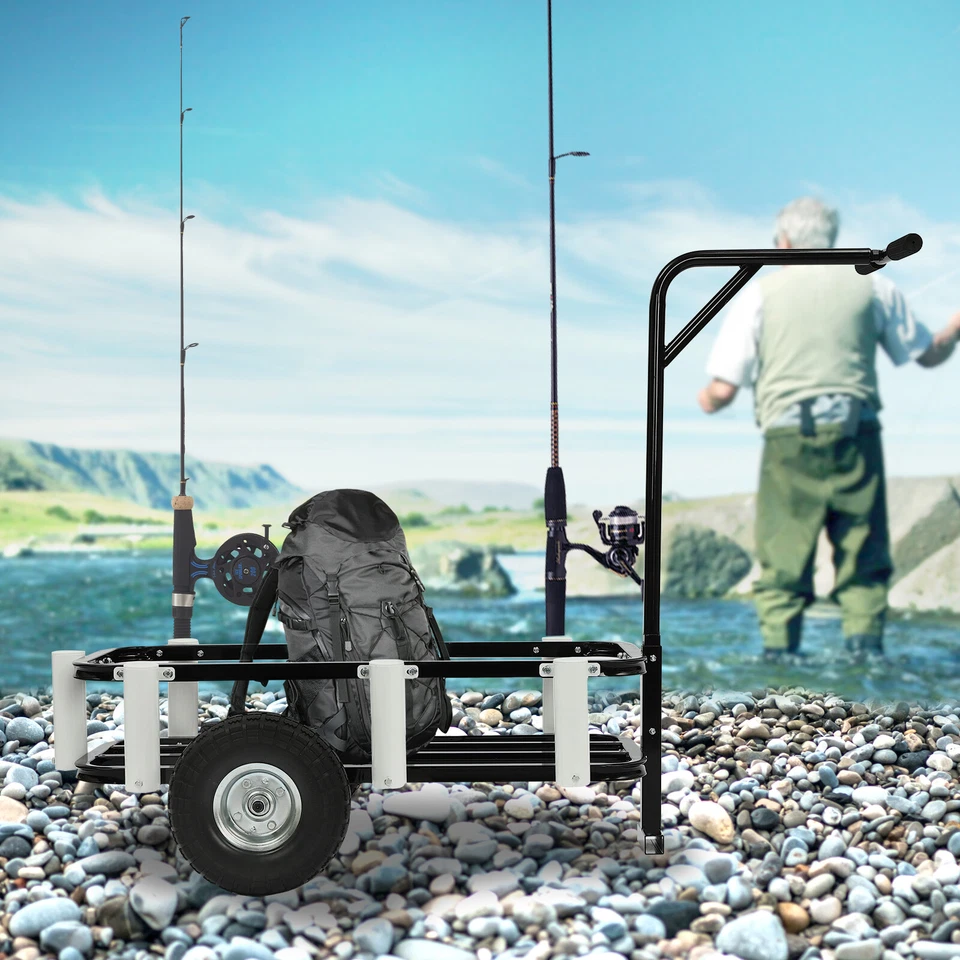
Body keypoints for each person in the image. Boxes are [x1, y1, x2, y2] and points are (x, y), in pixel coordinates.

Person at [697, 197, 960, 657]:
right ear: (830, 239)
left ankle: (778, 663)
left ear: (783, 241)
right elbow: (930, 354)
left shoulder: (759, 293)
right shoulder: (876, 287)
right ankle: (866, 662)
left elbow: (721, 393)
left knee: (782, 558)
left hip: (787, 440)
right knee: (864, 557)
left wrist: (703, 400)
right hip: (858, 437)